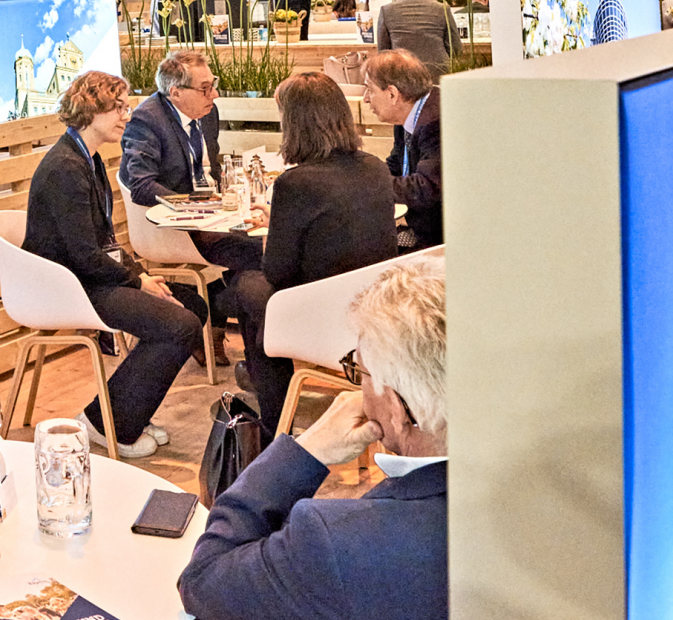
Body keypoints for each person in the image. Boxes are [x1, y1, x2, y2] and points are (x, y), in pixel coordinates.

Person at [177, 254, 449, 620]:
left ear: (396, 409)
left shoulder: (334, 542)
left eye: (359, 370)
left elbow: (202, 581)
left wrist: (304, 453)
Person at [23, 70, 205, 458]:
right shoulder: (66, 168)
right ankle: (108, 425)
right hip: (67, 286)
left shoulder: (86, 159)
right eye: (118, 108)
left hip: (87, 277)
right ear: (91, 110)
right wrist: (137, 282)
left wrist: (141, 275)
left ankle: (125, 409)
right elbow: (85, 254)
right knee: (180, 324)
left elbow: (103, 245)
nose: (127, 115)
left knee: (193, 305)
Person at [241, 72, 397, 439]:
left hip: (328, 318)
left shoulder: (295, 183)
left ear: (293, 124)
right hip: (374, 308)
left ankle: (274, 423)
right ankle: (264, 385)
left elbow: (278, 272)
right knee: (258, 302)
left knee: (247, 289)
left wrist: (275, 229)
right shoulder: (375, 167)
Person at [118, 50, 271, 370]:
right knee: (254, 254)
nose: (214, 94)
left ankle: (226, 331)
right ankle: (253, 357)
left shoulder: (207, 113)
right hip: (171, 224)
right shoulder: (146, 121)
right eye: (205, 88)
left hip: (212, 213)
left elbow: (210, 168)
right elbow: (142, 186)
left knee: (267, 241)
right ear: (175, 92)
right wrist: (198, 206)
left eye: (213, 84)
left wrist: (229, 197)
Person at [363, 50, 442, 250]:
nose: (365, 99)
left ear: (392, 94)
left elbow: (426, 188)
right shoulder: (408, 114)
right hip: (422, 229)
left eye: (369, 90)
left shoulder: (435, 122)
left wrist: (367, 185)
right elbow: (396, 164)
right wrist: (363, 175)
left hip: (441, 240)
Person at [374, 0, 459, 74]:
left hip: (402, 74)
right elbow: (456, 48)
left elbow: (383, 53)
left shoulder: (387, 10)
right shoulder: (442, 9)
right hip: (438, 74)